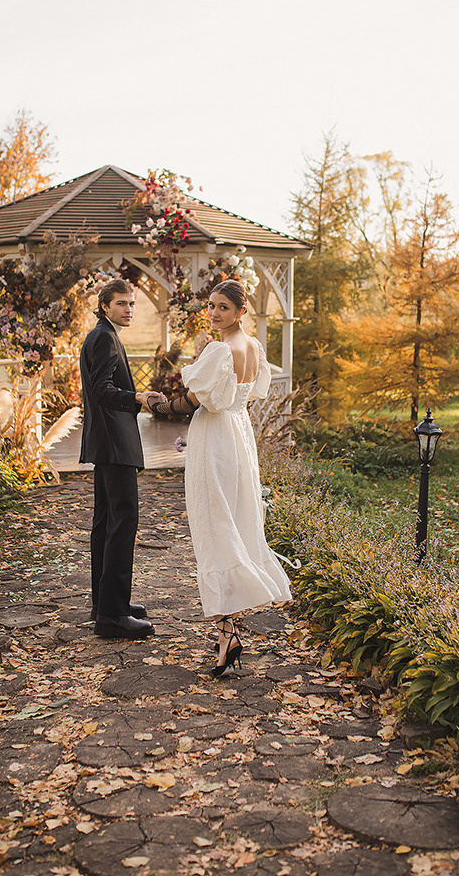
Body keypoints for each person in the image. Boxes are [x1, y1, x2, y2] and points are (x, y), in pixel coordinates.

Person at [148, 279, 292, 675]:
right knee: (234, 520)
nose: (213, 313)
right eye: (211, 305)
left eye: (224, 307)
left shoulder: (218, 350)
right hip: (239, 437)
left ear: (241, 312)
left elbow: (193, 401)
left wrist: (160, 407)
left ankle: (227, 632)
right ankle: (228, 631)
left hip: (215, 440)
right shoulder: (253, 348)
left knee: (214, 526)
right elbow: (247, 394)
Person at [79, 278, 165, 640]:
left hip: (108, 442)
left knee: (107, 520)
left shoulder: (105, 333)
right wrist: (139, 397)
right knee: (122, 521)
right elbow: (101, 391)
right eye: (121, 304)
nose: (128, 309)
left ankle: (106, 603)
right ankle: (112, 615)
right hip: (114, 443)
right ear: (104, 305)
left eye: (132, 304)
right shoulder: (103, 337)